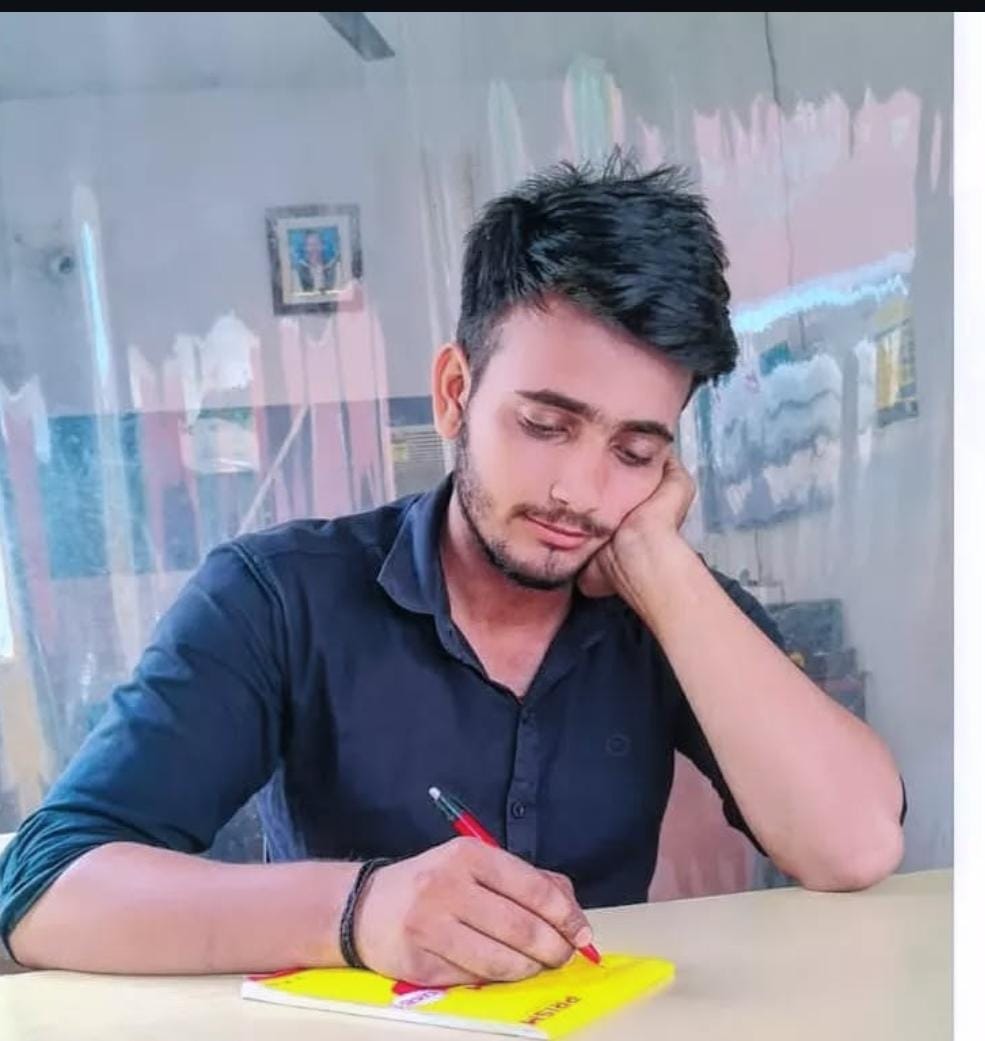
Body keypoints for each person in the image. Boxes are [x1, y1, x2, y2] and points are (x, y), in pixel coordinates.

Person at [0, 154, 905, 986]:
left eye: (634, 451)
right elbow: (40, 886)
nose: (578, 492)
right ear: (454, 393)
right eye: (544, 425)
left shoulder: (666, 600)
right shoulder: (276, 596)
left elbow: (855, 844)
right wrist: (357, 910)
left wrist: (659, 569)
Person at [292, 229, 337, 294]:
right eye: (310, 245)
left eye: (316, 244)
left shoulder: (334, 268)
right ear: (305, 248)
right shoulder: (298, 271)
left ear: (322, 246)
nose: (313, 248)